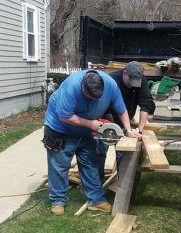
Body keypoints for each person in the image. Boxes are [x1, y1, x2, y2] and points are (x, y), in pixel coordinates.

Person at [43, 69, 142, 216]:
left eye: (98, 98)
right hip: (61, 129)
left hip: (86, 130)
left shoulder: (110, 85)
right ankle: (58, 201)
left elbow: (121, 109)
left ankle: (96, 201)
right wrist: (92, 124)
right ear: (83, 87)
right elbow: (65, 117)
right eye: (90, 97)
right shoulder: (71, 87)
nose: (94, 101)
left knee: (91, 164)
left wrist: (128, 130)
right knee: (59, 166)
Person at [106, 61, 156, 133]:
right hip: (111, 119)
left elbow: (146, 104)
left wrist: (139, 129)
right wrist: (113, 128)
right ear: (125, 73)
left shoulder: (141, 79)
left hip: (128, 119)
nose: (132, 85)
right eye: (130, 81)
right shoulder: (112, 80)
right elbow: (106, 108)